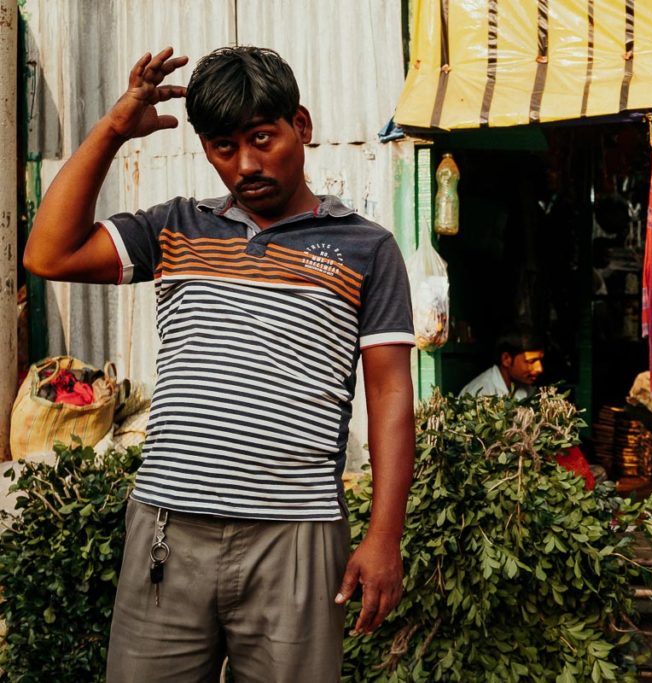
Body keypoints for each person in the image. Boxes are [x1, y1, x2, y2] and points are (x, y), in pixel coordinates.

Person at [23, 46, 415, 682]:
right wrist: (115, 127)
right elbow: (48, 254)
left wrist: (384, 537)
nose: (248, 164)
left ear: (303, 126)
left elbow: (392, 395)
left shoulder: (366, 248)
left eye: (264, 138)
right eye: (224, 147)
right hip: (169, 533)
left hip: (296, 538)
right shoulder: (176, 227)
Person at [459, 330, 545, 399]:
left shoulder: (526, 386)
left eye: (540, 360)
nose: (539, 368)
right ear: (506, 359)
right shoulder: (479, 393)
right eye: (531, 361)